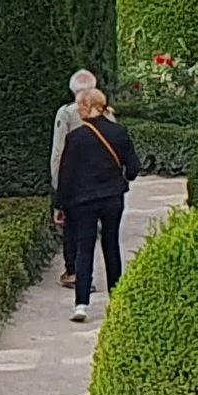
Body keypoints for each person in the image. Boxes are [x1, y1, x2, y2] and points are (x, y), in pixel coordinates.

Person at [52, 87, 139, 324]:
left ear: (86, 108)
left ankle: (81, 304)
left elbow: (66, 175)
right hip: (112, 198)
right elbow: (134, 167)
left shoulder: (76, 138)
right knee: (111, 244)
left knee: (84, 248)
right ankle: (117, 299)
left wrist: (60, 206)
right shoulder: (118, 132)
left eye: (80, 107)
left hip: (83, 201)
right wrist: (121, 179)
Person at [44, 71, 101, 276]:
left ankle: (72, 271)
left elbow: (58, 152)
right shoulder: (105, 112)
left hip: (74, 180)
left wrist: (57, 185)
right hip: (100, 181)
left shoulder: (66, 113)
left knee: (72, 227)